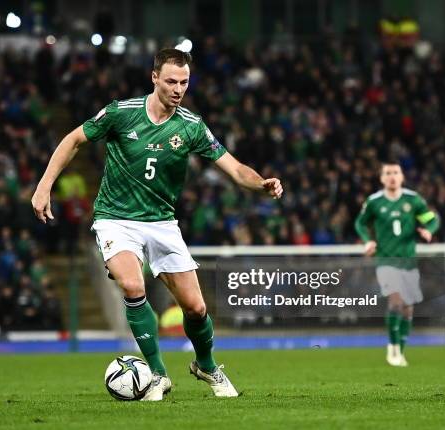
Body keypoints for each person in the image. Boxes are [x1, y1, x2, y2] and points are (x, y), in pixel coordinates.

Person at [32, 48, 283, 401]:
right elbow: (73, 140)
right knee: (133, 286)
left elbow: (235, 168)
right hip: (115, 219)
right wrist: (44, 188)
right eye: (171, 81)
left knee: (196, 308)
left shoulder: (191, 126)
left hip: (162, 223)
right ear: (154, 77)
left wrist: (261, 183)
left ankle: (207, 366)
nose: (178, 88)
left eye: (184, 82)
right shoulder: (121, 113)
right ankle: (157, 374)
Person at [355, 161, 439, 367]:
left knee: (408, 308)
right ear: (382, 178)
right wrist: (368, 240)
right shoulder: (374, 202)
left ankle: (400, 351)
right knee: (396, 301)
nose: (392, 176)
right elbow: (360, 223)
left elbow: (431, 219)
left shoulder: (413, 200)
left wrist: (429, 230)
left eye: (396, 172)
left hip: (408, 260)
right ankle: (392, 348)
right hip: (386, 259)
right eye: (388, 173)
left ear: (402, 176)